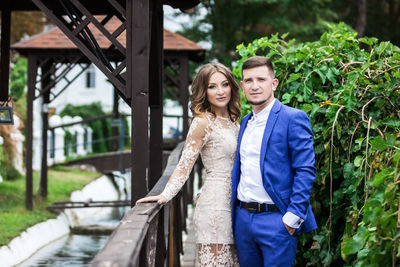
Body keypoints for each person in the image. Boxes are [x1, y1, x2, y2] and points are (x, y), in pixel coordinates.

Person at [137, 62, 241, 266]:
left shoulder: (233, 120)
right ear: (204, 91)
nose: (220, 91)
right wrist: (165, 195)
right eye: (212, 86)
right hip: (215, 208)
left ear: (232, 87)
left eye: (224, 84)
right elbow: (185, 165)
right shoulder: (202, 122)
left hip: (236, 204)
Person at [231, 56, 317, 267]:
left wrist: (293, 216)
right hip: (243, 219)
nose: (254, 86)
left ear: (274, 83)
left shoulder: (293, 118)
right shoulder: (245, 122)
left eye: (261, 79)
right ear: (242, 86)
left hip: (277, 220)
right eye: (248, 81)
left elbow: (305, 170)